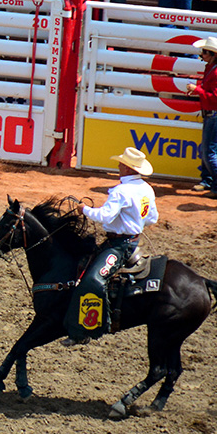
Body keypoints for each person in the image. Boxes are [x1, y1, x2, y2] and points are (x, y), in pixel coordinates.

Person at [64, 147, 159, 345]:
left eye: (120, 163)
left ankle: (90, 327)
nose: (118, 166)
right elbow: (152, 218)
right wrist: (134, 222)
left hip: (119, 246)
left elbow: (105, 216)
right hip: (133, 241)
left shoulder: (121, 191)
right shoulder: (146, 189)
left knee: (92, 279)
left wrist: (85, 210)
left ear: (126, 167)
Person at [185, 37, 217, 199]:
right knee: (208, 150)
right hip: (213, 114)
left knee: (209, 152)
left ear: (213, 54)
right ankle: (209, 180)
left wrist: (197, 90)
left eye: (205, 52)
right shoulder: (214, 68)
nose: (202, 54)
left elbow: (215, 97)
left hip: (215, 114)